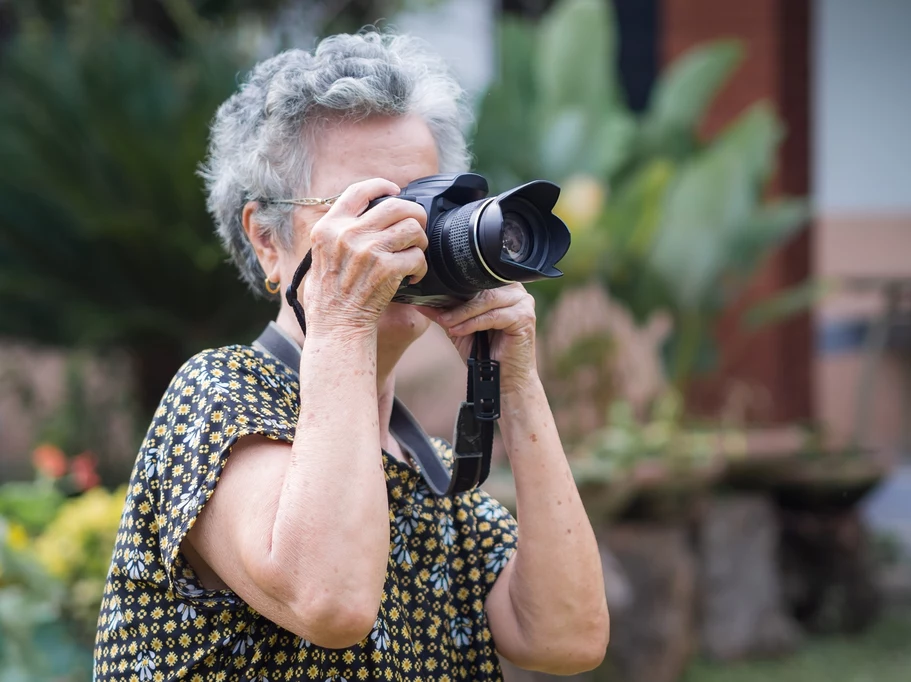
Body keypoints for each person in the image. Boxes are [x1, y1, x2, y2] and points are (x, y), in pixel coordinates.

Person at [93, 30, 609, 682]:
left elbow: (567, 637)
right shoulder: (218, 398)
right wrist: (342, 323)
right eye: (365, 209)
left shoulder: (430, 471)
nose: (401, 238)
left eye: (423, 203)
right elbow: (330, 601)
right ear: (267, 241)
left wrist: (518, 383)